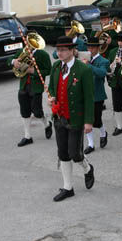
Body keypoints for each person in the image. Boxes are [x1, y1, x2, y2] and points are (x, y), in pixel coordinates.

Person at [48, 36, 95, 202]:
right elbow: (52, 88)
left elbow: (89, 98)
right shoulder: (55, 67)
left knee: (75, 153)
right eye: (58, 50)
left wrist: (89, 121)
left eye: (63, 50)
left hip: (76, 118)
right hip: (59, 117)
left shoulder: (83, 70)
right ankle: (68, 187)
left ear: (72, 51)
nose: (59, 53)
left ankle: (87, 168)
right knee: (63, 153)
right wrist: (51, 98)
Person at [9, 32, 52, 147]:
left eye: (32, 42)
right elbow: (9, 59)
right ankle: (27, 136)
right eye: (28, 41)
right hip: (23, 86)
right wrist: (14, 62)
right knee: (25, 111)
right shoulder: (22, 52)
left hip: (36, 86)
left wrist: (33, 71)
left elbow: (49, 70)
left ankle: (47, 124)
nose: (29, 44)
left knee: (37, 111)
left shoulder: (43, 54)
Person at [82, 37, 110, 154]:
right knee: (87, 120)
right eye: (88, 47)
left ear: (98, 48)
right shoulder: (82, 58)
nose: (90, 50)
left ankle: (103, 133)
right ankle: (91, 144)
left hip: (97, 95)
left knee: (97, 121)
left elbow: (102, 73)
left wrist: (88, 65)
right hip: (84, 94)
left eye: (92, 47)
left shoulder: (103, 61)